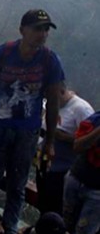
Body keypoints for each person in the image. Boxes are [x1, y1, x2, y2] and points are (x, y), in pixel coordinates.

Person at [0, 9, 64, 234]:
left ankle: (9, 233)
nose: (42, 34)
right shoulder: (3, 53)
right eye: (37, 28)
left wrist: (50, 141)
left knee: (17, 185)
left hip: (27, 132)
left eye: (45, 29)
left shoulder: (49, 60)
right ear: (23, 30)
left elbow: (53, 102)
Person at [38, 83, 93, 213]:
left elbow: (89, 142)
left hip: (64, 169)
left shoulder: (81, 109)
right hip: (45, 163)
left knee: (56, 206)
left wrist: (63, 137)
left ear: (62, 91)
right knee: (43, 202)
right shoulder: (51, 105)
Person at [62, 108, 100, 234]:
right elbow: (78, 146)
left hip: (97, 191)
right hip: (77, 178)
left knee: (84, 233)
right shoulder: (96, 119)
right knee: (66, 224)